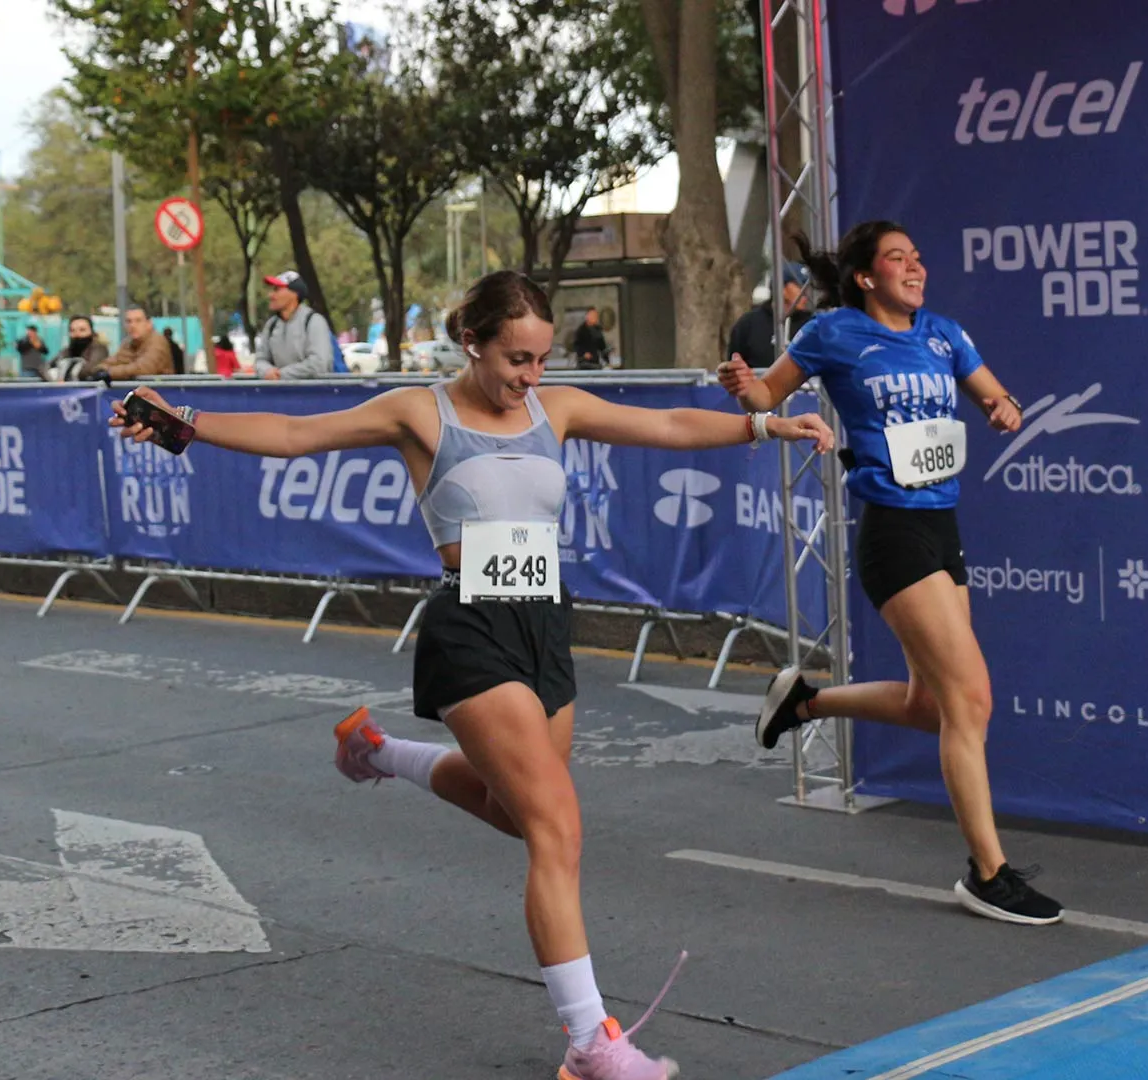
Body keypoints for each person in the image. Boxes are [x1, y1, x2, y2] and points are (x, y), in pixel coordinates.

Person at [115, 270, 833, 1079]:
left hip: (544, 623)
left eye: (538, 358)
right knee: (559, 825)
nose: (528, 375)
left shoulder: (553, 408)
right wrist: (187, 424)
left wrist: (767, 426)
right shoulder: (419, 411)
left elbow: (664, 423)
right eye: (514, 358)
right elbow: (292, 433)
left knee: (517, 812)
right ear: (473, 341)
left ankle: (375, 751)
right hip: (472, 626)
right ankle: (591, 1041)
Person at [716, 221, 1064, 927]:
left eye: (919, 256)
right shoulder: (832, 333)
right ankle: (987, 873)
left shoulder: (943, 334)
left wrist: (1003, 408)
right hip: (892, 531)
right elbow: (767, 398)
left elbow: (1001, 398)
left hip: (942, 527)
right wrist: (746, 386)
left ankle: (807, 703)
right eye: (897, 259)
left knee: (930, 705)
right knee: (971, 699)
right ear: (867, 277)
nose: (916, 267)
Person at [726, 263, 815, 372]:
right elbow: (733, 367)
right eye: (800, 286)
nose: (806, 293)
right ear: (781, 288)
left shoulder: (813, 325)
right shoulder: (748, 324)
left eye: (807, 287)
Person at [253, 269, 336, 379]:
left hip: (312, 394)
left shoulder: (314, 321)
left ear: (294, 294)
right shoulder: (271, 325)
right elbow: (260, 359)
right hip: (279, 394)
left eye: (277, 289)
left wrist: (281, 375)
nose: (270, 295)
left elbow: (319, 363)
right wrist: (267, 371)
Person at [95, 306, 174, 381]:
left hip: (161, 391)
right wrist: (100, 369)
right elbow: (115, 360)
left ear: (149, 323)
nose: (132, 325)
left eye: (138, 320)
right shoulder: (128, 343)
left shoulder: (158, 341)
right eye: (129, 321)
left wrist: (110, 373)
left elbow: (144, 368)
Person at [54, 315, 109, 382]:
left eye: (82, 330)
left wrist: (68, 372)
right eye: (72, 330)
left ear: (91, 331)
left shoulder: (99, 348)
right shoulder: (67, 351)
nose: (77, 334)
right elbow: (48, 366)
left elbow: (91, 368)